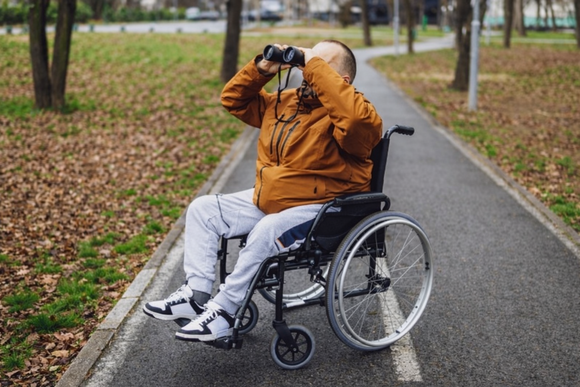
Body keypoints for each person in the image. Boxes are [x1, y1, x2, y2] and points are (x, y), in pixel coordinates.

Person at [143, 40, 383, 342]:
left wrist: (312, 63)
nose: (307, 68)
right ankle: (196, 295)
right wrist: (263, 68)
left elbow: (355, 120)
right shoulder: (286, 102)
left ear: (342, 81)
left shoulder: (358, 116)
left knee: (267, 229)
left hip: (325, 206)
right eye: (308, 59)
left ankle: (227, 311)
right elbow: (234, 100)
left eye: (320, 64)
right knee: (203, 209)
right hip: (274, 198)